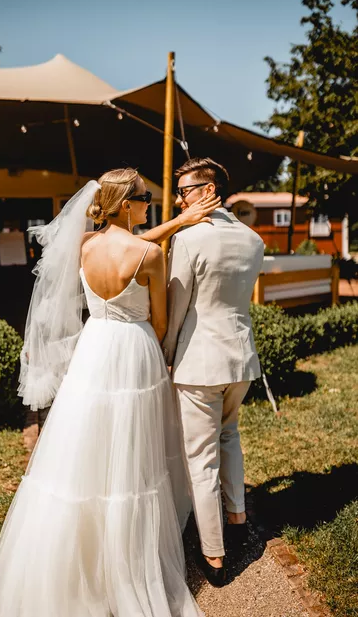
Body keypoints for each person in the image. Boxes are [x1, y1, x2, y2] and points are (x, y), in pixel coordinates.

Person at [0, 167, 220, 617]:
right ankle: (129, 558)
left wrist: (175, 223)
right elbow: (160, 321)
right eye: (145, 198)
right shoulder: (150, 255)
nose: (150, 205)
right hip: (135, 348)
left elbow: (120, 240)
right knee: (133, 451)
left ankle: (82, 556)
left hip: (94, 349)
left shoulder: (84, 244)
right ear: (127, 204)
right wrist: (178, 227)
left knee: (87, 443)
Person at [162, 158, 264, 587]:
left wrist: (166, 354)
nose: (178, 200)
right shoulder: (253, 239)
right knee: (229, 436)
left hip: (199, 362)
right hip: (241, 358)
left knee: (200, 458)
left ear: (209, 190)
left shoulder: (188, 240)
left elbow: (177, 307)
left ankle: (214, 555)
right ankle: (237, 519)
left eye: (184, 191)